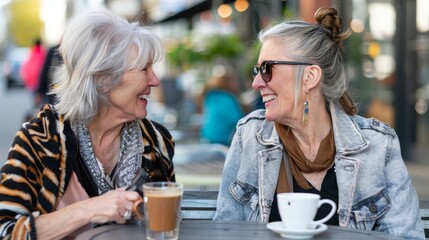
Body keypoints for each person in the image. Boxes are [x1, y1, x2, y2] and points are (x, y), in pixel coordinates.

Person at [213, 7, 425, 239]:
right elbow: (226, 231)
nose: (256, 83)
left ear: (310, 76)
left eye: (266, 69)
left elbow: (405, 236)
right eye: (257, 69)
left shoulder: (378, 146)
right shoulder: (250, 136)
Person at [0, 9, 175, 239]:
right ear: (103, 78)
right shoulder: (38, 140)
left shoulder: (156, 141)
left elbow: (165, 224)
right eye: (144, 69)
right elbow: (6, 230)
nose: (155, 80)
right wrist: (91, 208)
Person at [199, 71, 245, 146]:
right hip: (222, 140)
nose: (237, 84)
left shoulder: (210, 97)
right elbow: (239, 120)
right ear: (228, 83)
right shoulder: (227, 98)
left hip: (207, 138)